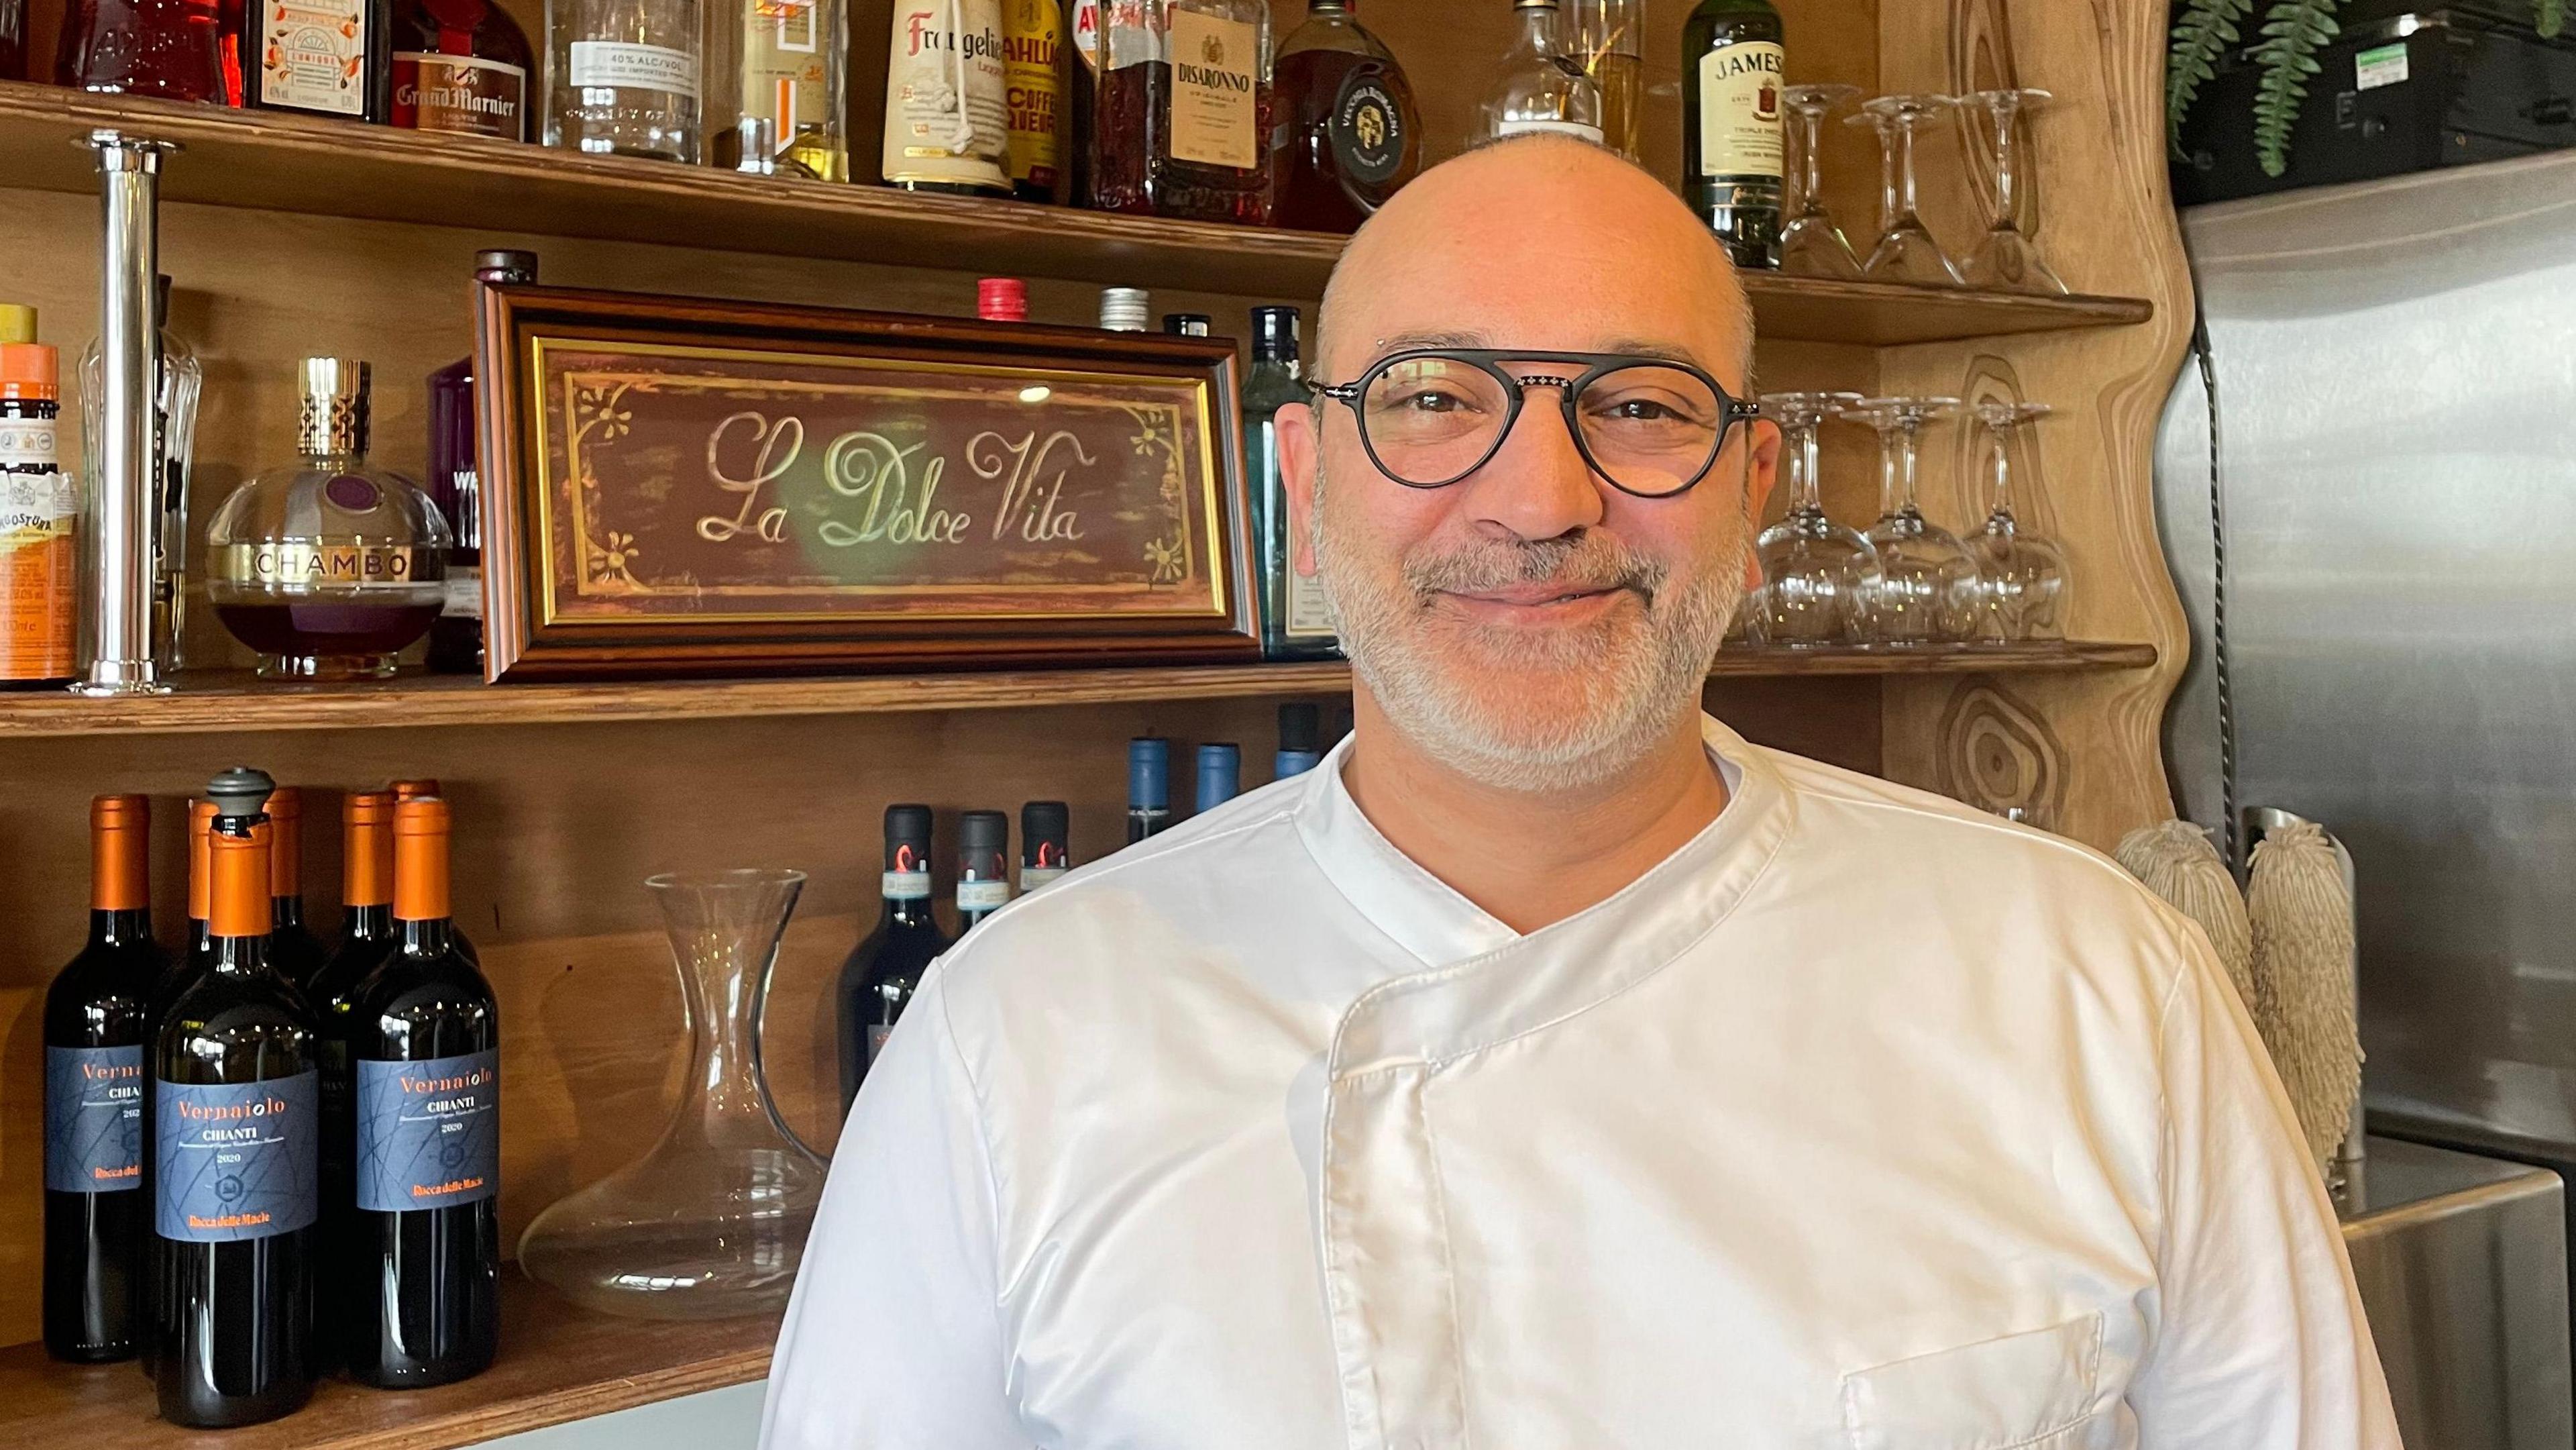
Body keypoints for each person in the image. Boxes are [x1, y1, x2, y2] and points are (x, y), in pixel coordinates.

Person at [761, 136, 2398, 1447]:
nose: (1541, 497)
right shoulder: (1007, 1046)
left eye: (1636, 404)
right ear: (1306, 483)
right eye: (1431, 399)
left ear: (1752, 490)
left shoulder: (2099, 982)